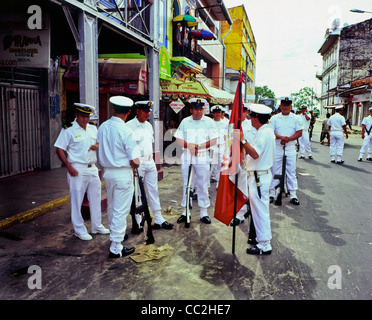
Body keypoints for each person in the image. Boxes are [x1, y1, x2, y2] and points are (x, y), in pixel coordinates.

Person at [55, 103, 110, 241]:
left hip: (92, 168)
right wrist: (68, 166)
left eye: (87, 116)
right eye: (83, 116)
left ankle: (96, 226)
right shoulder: (69, 130)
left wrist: (96, 146)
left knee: (96, 197)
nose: (85, 119)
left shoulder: (92, 128)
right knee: (77, 200)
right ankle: (79, 229)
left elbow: (100, 143)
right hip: (77, 169)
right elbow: (59, 149)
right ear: (76, 115)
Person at [97, 96, 140, 258]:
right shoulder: (126, 130)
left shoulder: (102, 127)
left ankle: (116, 236)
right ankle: (116, 247)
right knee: (121, 210)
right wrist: (137, 164)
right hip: (122, 173)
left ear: (113, 110)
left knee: (112, 206)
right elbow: (135, 160)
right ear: (129, 112)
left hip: (107, 173)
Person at [126, 101, 173, 230]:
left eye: (148, 111)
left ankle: (158, 218)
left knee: (153, 190)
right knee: (138, 193)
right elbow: (126, 147)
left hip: (150, 161)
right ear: (137, 111)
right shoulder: (129, 126)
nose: (147, 114)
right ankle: (138, 220)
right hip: (138, 163)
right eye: (144, 111)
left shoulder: (149, 126)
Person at [236, 103, 275, 255]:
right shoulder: (265, 131)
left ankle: (265, 244)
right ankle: (262, 241)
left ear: (257, 118)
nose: (250, 119)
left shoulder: (264, 133)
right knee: (259, 211)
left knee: (260, 211)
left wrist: (243, 140)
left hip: (259, 177)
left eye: (252, 116)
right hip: (259, 175)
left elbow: (255, 154)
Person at [174, 98, 218, 224]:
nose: (198, 111)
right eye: (195, 109)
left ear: (203, 109)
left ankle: (203, 212)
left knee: (202, 184)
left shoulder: (209, 122)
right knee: (187, 184)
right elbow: (178, 139)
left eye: (200, 109)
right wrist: (189, 146)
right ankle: (185, 211)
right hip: (188, 155)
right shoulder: (185, 121)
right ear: (191, 109)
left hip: (202, 156)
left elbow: (214, 140)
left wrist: (199, 147)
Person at [269, 96, 303, 205]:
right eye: (283, 105)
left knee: (291, 171)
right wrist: (281, 138)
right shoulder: (274, 118)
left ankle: (293, 194)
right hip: (278, 148)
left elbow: (299, 132)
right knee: (275, 170)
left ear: (291, 106)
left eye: (288, 105)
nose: (286, 107)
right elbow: (271, 132)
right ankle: (272, 193)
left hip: (290, 148)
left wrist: (288, 139)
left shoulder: (297, 118)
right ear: (280, 106)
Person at [231, 104, 257, 226]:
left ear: (247, 112)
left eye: (243, 111)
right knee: (240, 187)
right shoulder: (233, 125)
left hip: (253, 160)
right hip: (239, 160)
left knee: (252, 189)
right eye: (238, 111)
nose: (241, 114)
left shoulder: (252, 125)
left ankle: (253, 213)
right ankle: (239, 214)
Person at [209, 105, 228, 187]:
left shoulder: (226, 123)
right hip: (212, 146)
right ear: (213, 113)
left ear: (221, 113)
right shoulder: (209, 123)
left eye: (219, 112)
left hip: (222, 146)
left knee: (221, 166)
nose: (217, 114)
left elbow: (227, 136)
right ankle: (206, 185)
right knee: (210, 166)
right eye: (215, 113)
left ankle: (219, 184)